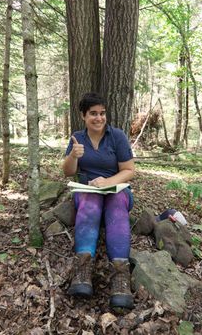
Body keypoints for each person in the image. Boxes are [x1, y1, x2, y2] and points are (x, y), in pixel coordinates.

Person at [62, 92, 135, 309]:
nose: (99, 118)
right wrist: (73, 156)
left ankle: (121, 280)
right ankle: (82, 273)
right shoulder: (77, 138)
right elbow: (68, 172)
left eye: (102, 113)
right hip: (86, 190)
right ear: (83, 116)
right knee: (90, 206)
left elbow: (129, 170)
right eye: (93, 113)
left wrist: (108, 181)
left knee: (117, 209)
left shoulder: (117, 136)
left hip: (117, 189)